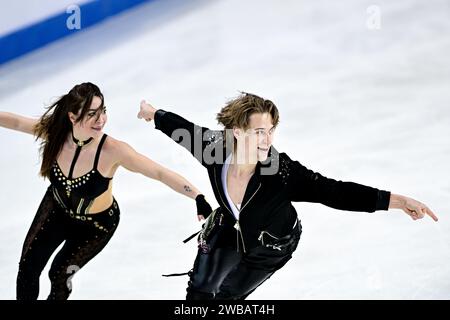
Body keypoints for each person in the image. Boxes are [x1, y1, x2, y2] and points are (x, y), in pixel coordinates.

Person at [137, 92, 438, 300]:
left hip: (272, 246)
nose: (267, 139)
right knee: (199, 292)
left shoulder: (280, 172)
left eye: (271, 130)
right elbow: (182, 129)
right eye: (258, 131)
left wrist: (396, 201)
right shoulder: (214, 147)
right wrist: (153, 114)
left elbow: (333, 191)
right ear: (237, 132)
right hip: (229, 229)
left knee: (227, 298)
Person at [0, 82, 212, 300]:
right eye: (92, 113)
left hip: (95, 227)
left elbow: (158, 172)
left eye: (103, 111)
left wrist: (197, 195)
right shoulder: (55, 132)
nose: (100, 119)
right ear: (72, 117)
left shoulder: (112, 150)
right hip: (56, 209)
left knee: (59, 274)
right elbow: (17, 122)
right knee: (27, 269)